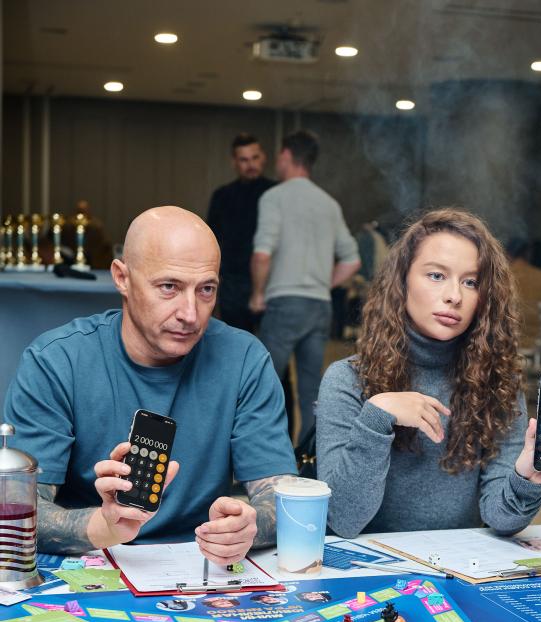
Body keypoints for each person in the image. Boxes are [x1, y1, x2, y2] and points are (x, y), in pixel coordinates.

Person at [4, 206, 297, 563]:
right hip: (92, 560)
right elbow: (15, 508)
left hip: (203, 563)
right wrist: (104, 526)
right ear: (122, 278)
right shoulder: (56, 361)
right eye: (169, 287)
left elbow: (282, 497)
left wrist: (248, 527)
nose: (190, 314)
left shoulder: (244, 359)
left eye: (206, 290)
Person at [317, 208, 541, 539]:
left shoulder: (497, 382)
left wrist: (525, 477)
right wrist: (377, 416)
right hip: (371, 565)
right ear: (401, 281)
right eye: (436, 276)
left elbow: (501, 520)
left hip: (457, 564)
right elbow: (342, 520)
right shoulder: (347, 380)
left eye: (470, 282)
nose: (454, 296)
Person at [250, 130, 360, 443]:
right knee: (311, 391)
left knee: (263, 384)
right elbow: (352, 260)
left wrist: (258, 294)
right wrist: (324, 284)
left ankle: (262, 455)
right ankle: (308, 458)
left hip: (285, 303)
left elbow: (262, 253)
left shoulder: (274, 197)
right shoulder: (329, 204)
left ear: (286, 155)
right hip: (319, 306)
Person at [207, 134, 276, 333]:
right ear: (234, 162)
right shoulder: (222, 196)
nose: (250, 165)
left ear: (263, 157)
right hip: (232, 284)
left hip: (270, 282)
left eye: (255, 158)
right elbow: (212, 241)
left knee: (273, 347)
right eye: (244, 160)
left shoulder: (276, 193)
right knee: (234, 342)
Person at [507, 237, 541, 349]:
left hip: (509, 338)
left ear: (508, 255)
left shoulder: (505, 275)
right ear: (527, 254)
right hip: (537, 342)